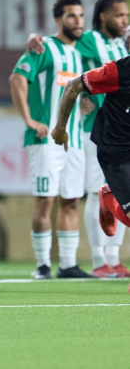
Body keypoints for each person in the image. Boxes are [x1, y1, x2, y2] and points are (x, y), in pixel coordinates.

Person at [25, 0, 130, 278]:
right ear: (103, 17)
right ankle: (99, 260)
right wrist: (36, 37)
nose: (124, 21)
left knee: (120, 195)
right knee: (99, 192)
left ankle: (114, 258)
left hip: (124, 128)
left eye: (127, 16)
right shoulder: (89, 40)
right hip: (97, 130)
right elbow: (61, 40)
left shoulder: (122, 43)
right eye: (119, 15)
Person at [11, 0, 92, 280]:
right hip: (45, 139)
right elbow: (17, 79)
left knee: (71, 200)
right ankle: (43, 265)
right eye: (71, 16)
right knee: (45, 200)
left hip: (76, 141)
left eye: (81, 15)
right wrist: (30, 120)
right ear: (58, 20)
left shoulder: (82, 52)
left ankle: (68, 264)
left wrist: (87, 104)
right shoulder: (43, 47)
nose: (78, 21)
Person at [51, 46, 130, 292]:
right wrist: (60, 128)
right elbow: (73, 85)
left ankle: (110, 198)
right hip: (115, 149)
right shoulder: (118, 71)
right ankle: (110, 198)